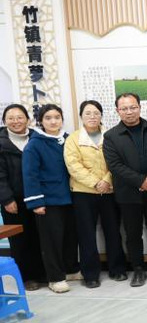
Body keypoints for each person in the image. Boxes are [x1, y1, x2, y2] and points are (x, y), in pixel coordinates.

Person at [103, 93, 147, 287]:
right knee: (132, 234)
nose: (129, 112)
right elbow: (115, 165)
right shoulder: (111, 136)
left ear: (140, 107)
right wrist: (141, 181)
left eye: (133, 107)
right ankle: (138, 269)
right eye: (124, 108)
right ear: (117, 111)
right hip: (128, 193)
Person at [64, 100, 127, 288]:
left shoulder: (111, 135)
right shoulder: (73, 139)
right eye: (88, 113)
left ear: (101, 115)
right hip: (83, 192)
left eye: (96, 113)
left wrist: (106, 180)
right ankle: (90, 274)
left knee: (113, 231)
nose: (92, 116)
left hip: (109, 191)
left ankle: (117, 269)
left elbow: (117, 161)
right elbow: (73, 165)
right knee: (86, 234)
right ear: (81, 116)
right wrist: (95, 182)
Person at [22, 104, 80, 293]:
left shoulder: (67, 139)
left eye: (57, 117)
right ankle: (55, 278)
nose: (53, 121)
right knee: (51, 242)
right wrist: (36, 202)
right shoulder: (34, 144)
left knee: (70, 237)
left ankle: (71, 270)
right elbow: (30, 175)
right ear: (40, 121)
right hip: (48, 201)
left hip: (69, 197)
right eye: (48, 118)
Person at [0, 104, 46, 290]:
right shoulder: (1, 143)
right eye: (10, 118)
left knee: (40, 236)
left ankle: (42, 273)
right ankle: (26, 277)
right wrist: (6, 199)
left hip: (38, 197)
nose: (16, 121)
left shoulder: (38, 138)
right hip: (14, 200)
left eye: (20, 117)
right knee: (20, 240)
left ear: (28, 119)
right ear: (4, 121)